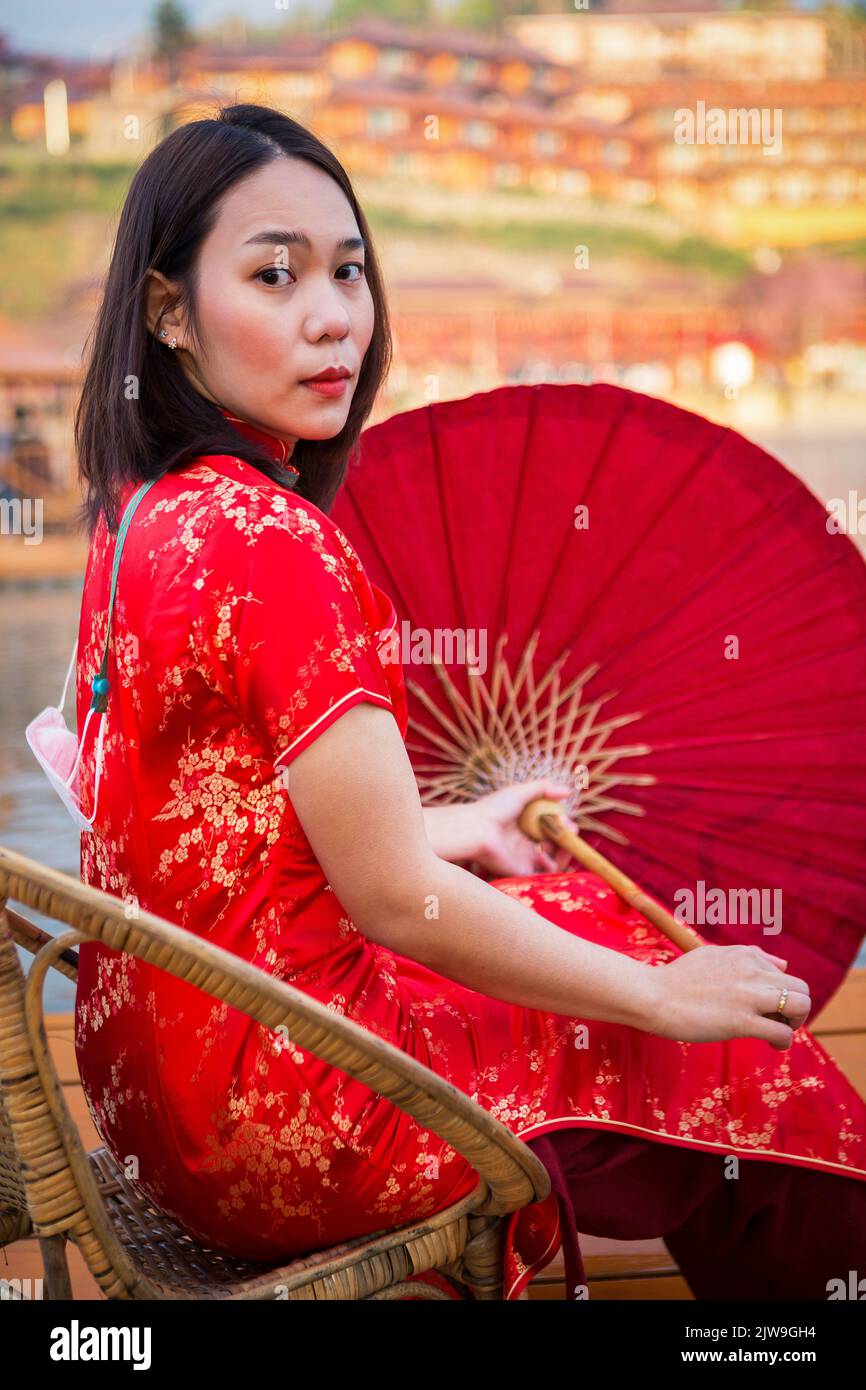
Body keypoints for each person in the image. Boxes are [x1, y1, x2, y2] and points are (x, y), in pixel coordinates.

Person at [71, 103, 866, 1302]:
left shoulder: (139, 522)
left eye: (348, 270)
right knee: (735, 1050)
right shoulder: (281, 541)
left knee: (560, 908)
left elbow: (217, 830)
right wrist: (659, 993)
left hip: (165, 1098)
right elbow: (394, 900)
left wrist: (453, 829)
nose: (332, 314)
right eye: (273, 275)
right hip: (301, 1109)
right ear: (168, 310)